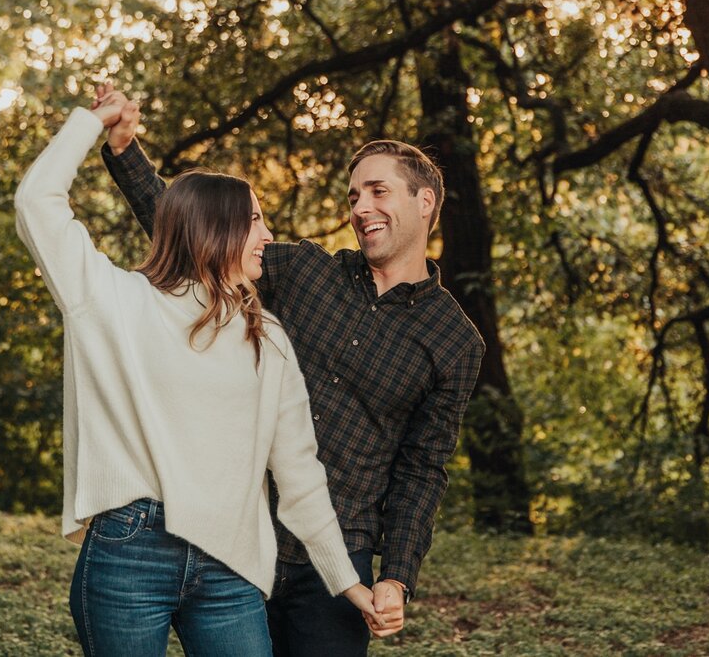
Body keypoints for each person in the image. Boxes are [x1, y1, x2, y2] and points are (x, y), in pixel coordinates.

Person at [97, 85, 486, 656]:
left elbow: (422, 469)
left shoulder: (454, 341)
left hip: (338, 557)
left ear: (425, 202)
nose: (360, 208)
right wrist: (127, 149)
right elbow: (198, 234)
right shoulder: (303, 269)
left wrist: (396, 575)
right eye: (354, 195)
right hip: (240, 535)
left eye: (379, 191)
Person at [15, 94, 381, 657]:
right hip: (130, 551)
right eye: (255, 219)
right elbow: (37, 202)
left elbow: (300, 474)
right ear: (215, 228)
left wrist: (346, 580)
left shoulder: (270, 338)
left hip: (231, 564)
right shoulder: (111, 299)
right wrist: (93, 122)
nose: (266, 235)